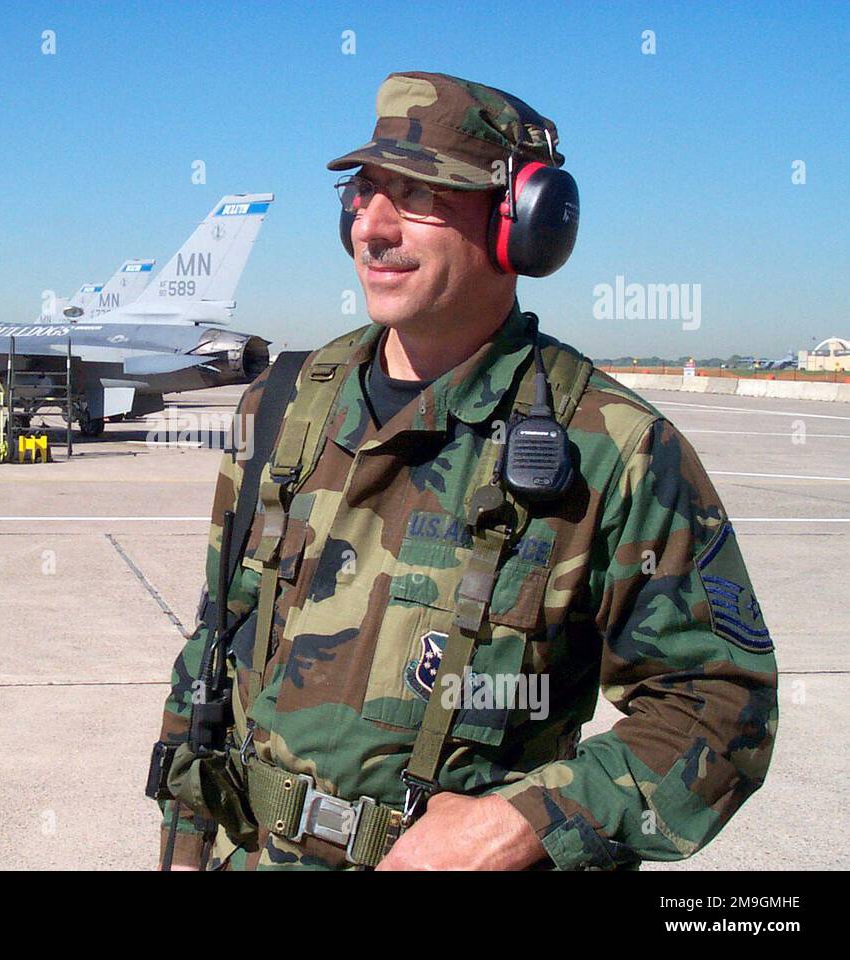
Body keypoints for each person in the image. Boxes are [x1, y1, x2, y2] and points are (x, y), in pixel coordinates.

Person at [149, 71, 777, 871]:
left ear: (523, 222)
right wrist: (181, 850)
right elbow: (211, 653)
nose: (370, 228)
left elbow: (721, 703)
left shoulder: (611, 448)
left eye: (417, 196)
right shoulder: (280, 409)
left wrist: (524, 823)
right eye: (365, 190)